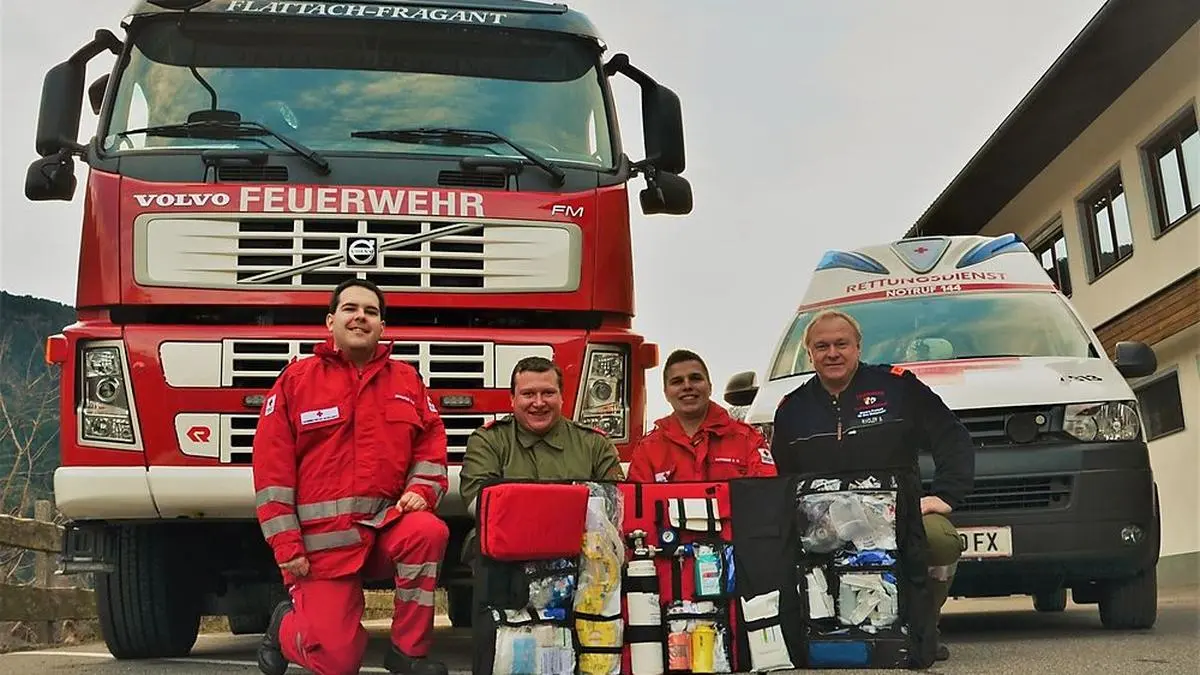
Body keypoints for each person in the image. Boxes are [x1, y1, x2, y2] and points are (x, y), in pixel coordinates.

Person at [252, 279, 451, 675]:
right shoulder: (296, 382)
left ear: (382, 327)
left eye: (371, 312)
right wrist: (286, 546)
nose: (361, 317)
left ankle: (407, 652)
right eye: (350, 309)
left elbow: (431, 444)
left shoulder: (407, 381)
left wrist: (421, 490)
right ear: (330, 321)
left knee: (428, 531)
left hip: (385, 529)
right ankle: (285, 626)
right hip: (322, 548)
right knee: (337, 661)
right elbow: (271, 472)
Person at [770, 309, 974, 663]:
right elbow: (780, 476)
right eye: (822, 346)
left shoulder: (900, 388)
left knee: (939, 539)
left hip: (897, 517)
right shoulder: (792, 408)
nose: (832, 353)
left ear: (858, 347)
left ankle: (925, 623)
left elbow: (951, 435)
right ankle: (824, 629)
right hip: (825, 523)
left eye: (841, 344)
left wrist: (946, 494)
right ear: (810, 354)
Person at [458, 356, 625, 519]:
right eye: (528, 394)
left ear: (561, 397)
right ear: (512, 399)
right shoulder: (488, 441)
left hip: (582, 542)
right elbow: (477, 503)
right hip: (511, 541)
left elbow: (618, 505)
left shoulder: (595, 444)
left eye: (548, 393)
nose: (538, 403)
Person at [627, 348, 777, 482]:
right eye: (677, 381)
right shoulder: (648, 449)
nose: (687, 386)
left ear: (710, 387)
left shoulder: (748, 440)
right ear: (666, 393)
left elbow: (767, 498)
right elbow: (634, 505)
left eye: (695, 378)